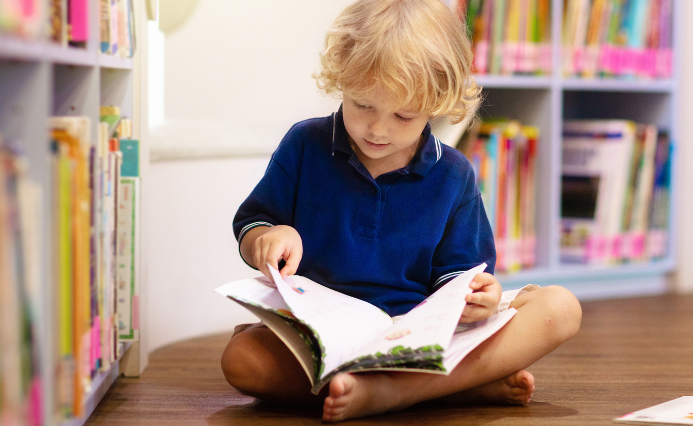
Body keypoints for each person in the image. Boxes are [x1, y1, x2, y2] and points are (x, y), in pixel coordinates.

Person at [220, 0, 582, 422]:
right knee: (242, 361)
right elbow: (252, 223)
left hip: (419, 337)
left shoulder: (453, 174)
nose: (378, 129)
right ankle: (449, 388)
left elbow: (460, 277)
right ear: (342, 79)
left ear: (437, 103)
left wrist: (479, 298)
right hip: (323, 335)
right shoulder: (304, 145)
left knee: (561, 308)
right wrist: (266, 238)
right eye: (362, 105)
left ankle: (391, 390)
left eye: (404, 115)